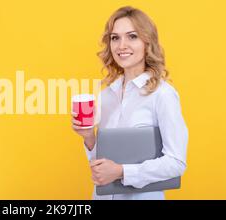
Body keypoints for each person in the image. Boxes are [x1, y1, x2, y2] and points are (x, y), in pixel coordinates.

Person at [71, 6, 188, 200]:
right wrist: (89, 138)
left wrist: (122, 172)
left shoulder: (163, 94)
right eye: (115, 38)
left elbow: (176, 163)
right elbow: (101, 165)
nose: (121, 45)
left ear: (147, 42)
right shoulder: (106, 95)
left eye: (132, 36)